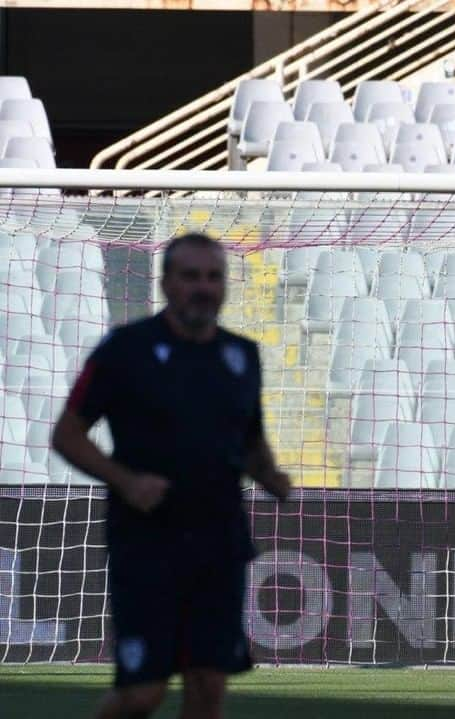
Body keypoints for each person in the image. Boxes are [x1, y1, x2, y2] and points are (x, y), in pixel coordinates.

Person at [51, 233, 292, 719]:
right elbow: (67, 434)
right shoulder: (125, 350)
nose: (203, 288)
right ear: (165, 284)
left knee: (208, 690)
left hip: (219, 541)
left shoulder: (241, 355)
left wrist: (270, 475)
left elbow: (248, 441)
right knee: (143, 693)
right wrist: (126, 481)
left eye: (213, 277)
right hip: (146, 544)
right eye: (190, 276)